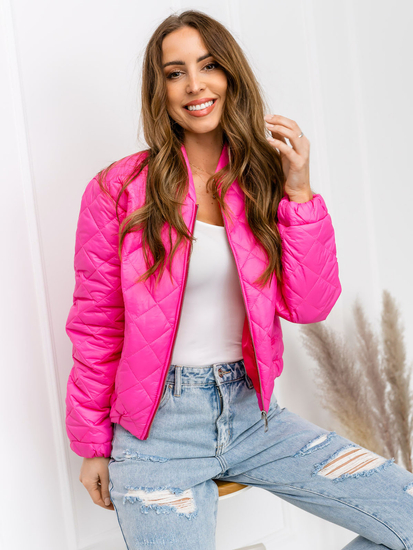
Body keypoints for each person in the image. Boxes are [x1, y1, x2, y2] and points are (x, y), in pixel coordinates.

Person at [65, 9, 413, 550]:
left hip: (255, 416)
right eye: (175, 72)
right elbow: (97, 325)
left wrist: (299, 193)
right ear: (159, 89)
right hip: (157, 435)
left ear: (231, 75)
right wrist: (92, 445)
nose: (195, 84)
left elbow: (310, 306)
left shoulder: (262, 180)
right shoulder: (119, 188)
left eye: (208, 66)